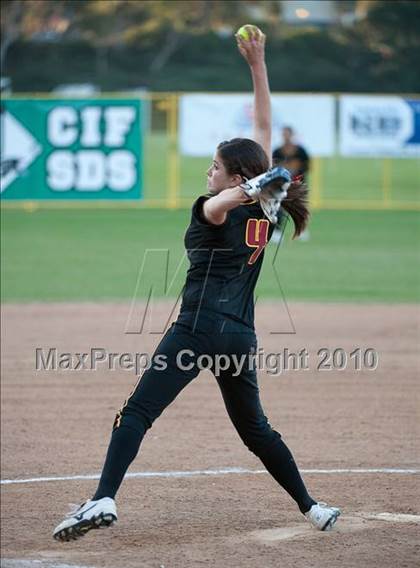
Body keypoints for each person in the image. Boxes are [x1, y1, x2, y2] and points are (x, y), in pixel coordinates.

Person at [53, 28, 340, 542]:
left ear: (235, 177)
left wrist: (253, 183)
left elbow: (223, 200)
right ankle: (313, 507)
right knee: (256, 430)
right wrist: (257, 66)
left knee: (136, 413)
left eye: (215, 167)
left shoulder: (213, 207)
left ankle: (103, 497)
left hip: (197, 331)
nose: (208, 172)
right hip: (240, 338)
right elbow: (262, 134)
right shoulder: (265, 212)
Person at [272, 126, 311, 242]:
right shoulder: (277, 151)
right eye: (284, 134)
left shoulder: (300, 151)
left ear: (292, 135)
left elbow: (307, 166)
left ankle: (301, 230)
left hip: (297, 183)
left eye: (287, 134)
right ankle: (277, 231)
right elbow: (273, 167)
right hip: (281, 184)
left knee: (299, 207)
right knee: (278, 206)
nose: (286, 136)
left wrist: (296, 170)